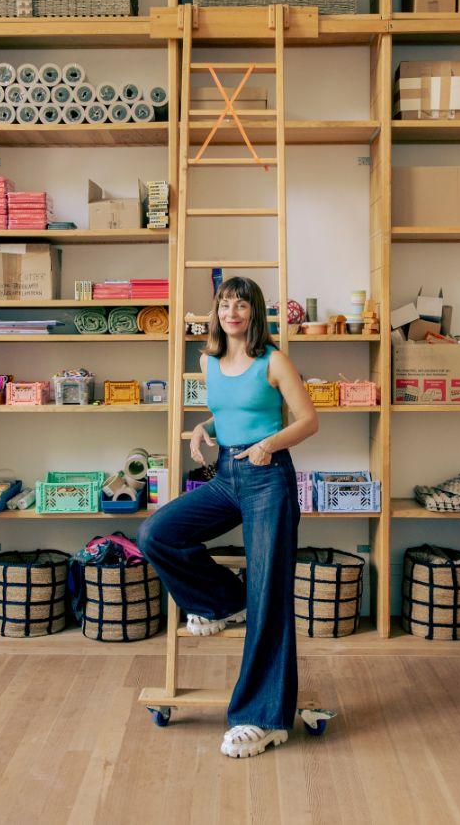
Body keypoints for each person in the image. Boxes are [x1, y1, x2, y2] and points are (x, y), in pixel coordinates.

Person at [137, 276, 319, 759]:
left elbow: (306, 420)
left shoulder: (274, 360)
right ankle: (223, 601)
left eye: (241, 304)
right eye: (224, 303)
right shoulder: (209, 361)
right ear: (216, 311)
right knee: (156, 532)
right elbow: (233, 410)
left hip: (268, 477)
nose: (232, 311)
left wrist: (267, 445)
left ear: (254, 311)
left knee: (270, 596)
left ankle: (263, 719)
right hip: (225, 476)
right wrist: (203, 425)